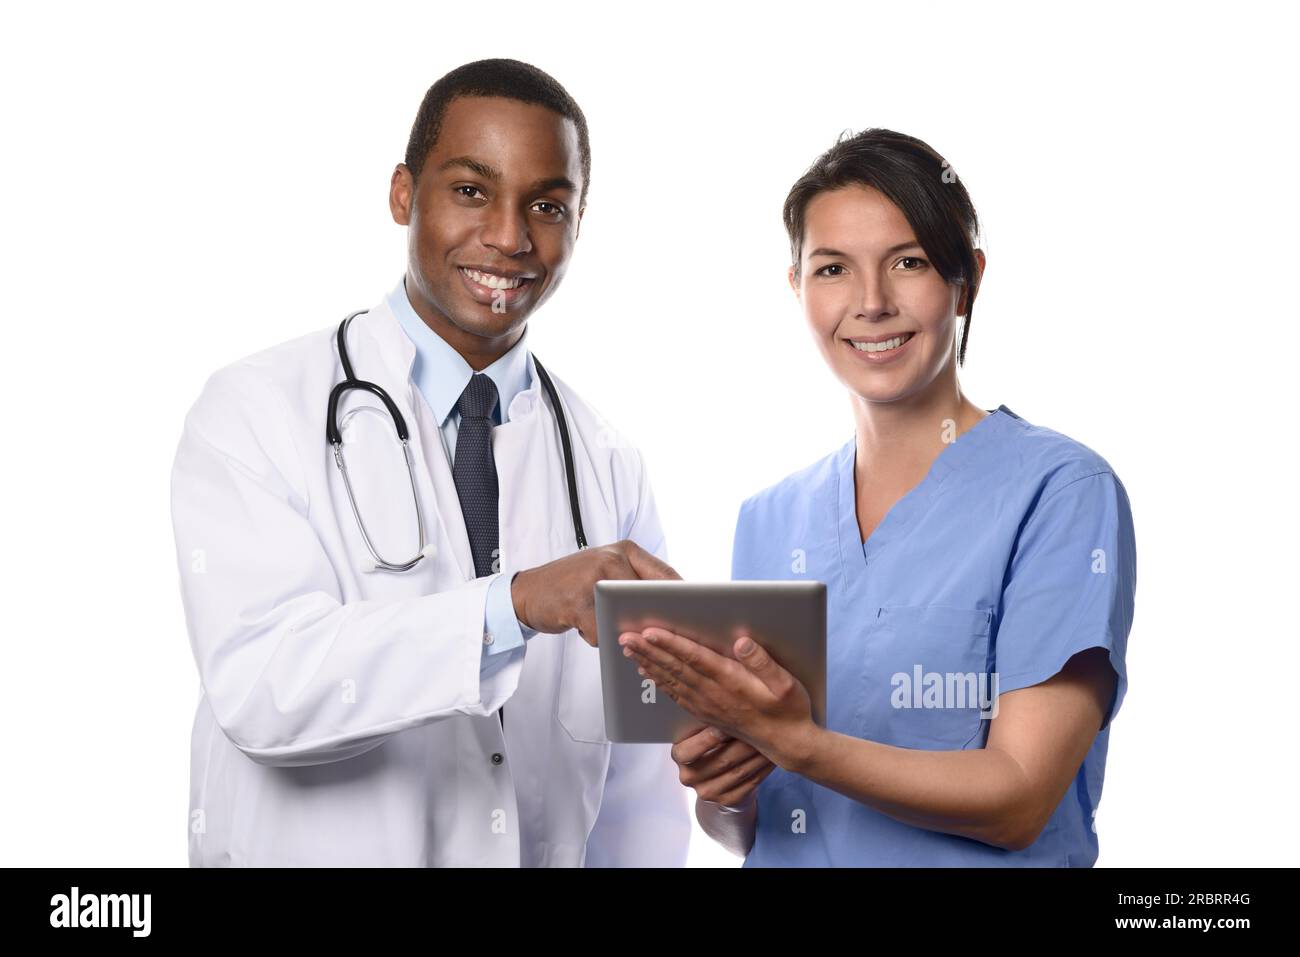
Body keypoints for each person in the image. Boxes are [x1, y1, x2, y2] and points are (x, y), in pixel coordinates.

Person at [170, 59, 690, 867]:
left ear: (579, 226)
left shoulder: (608, 464)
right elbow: (260, 686)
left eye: (547, 205)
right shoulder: (255, 411)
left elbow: (638, 790)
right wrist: (511, 607)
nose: (511, 237)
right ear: (403, 195)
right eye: (472, 190)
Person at [621, 128, 1136, 866]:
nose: (871, 302)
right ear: (798, 286)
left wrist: (799, 742)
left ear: (968, 280)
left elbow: (1021, 797)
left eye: (909, 262)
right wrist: (725, 789)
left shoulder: (1059, 493)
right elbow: (753, 827)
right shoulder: (770, 518)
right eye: (833, 268)